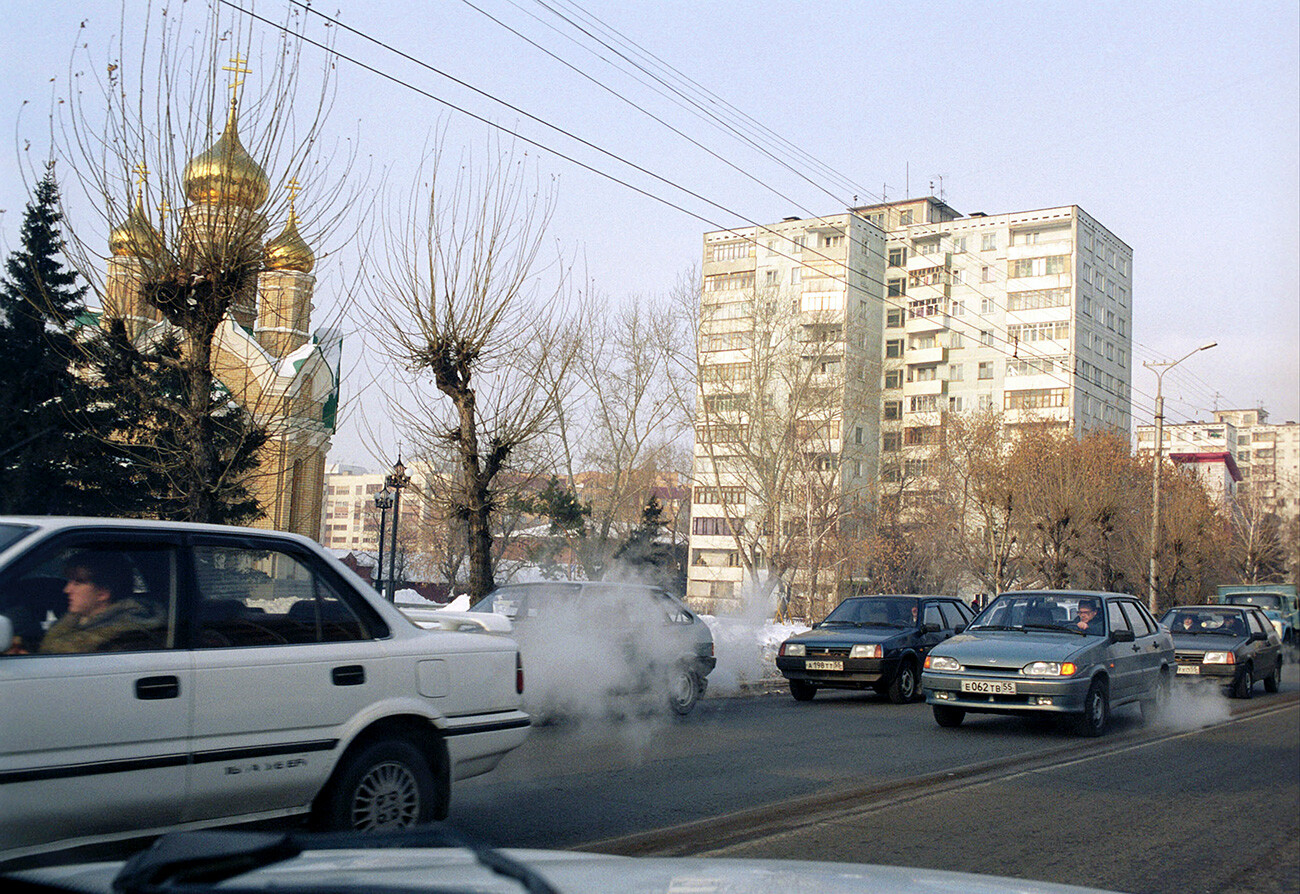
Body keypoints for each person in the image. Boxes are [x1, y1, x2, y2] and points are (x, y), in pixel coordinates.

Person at [37, 551, 163, 654]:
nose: (67, 590)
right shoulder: (76, 622)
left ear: (102, 594)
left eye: (78, 583)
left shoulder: (128, 639)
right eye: (70, 581)